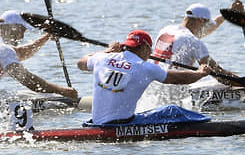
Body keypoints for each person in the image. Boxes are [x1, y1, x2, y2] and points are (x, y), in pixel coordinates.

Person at [77, 29, 212, 125]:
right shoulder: (145, 67)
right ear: (145, 48)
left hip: (97, 122)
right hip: (122, 124)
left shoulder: (101, 58)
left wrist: (107, 51)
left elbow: (81, 63)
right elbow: (179, 79)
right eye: (150, 50)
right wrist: (200, 73)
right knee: (173, 110)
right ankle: (208, 124)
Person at [0, 10, 77, 100]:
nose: (22, 37)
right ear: (13, 27)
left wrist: (47, 36)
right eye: (22, 30)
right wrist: (63, 91)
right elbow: (30, 81)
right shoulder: (2, 49)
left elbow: (20, 53)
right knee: (48, 98)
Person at [152, 0, 244, 78]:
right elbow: (219, 74)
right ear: (201, 20)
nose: (206, 28)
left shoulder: (166, 30)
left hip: (155, 84)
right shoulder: (192, 41)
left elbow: (208, 28)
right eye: (206, 24)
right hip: (175, 91)